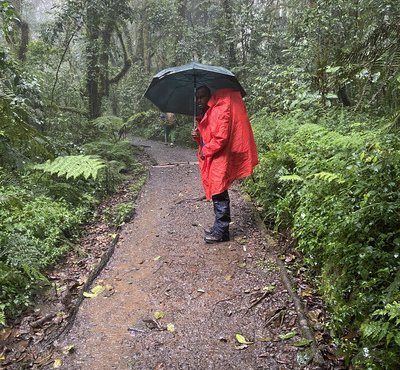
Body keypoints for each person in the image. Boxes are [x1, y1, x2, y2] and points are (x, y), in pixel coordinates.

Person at [191, 86, 258, 244]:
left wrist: (205, 150)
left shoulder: (219, 109)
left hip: (220, 158)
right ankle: (219, 228)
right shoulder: (210, 111)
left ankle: (221, 230)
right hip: (214, 157)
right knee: (217, 192)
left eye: (201, 97)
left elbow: (221, 138)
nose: (198, 101)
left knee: (219, 192)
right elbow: (207, 136)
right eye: (197, 98)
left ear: (209, 95)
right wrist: (197, 136)